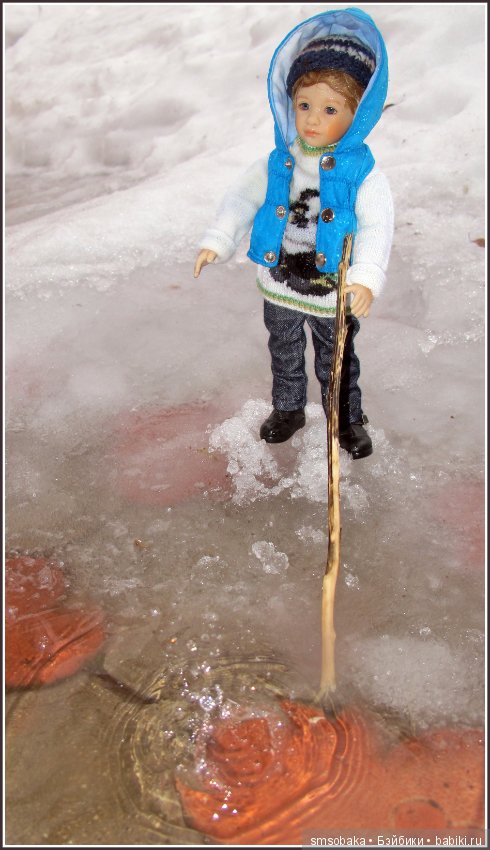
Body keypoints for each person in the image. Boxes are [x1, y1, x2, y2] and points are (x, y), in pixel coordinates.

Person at [194, 7, 394, 459]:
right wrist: (219, 239)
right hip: (279, 282)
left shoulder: (363, 174)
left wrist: (365, 276)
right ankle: (288, 408)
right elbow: (242, 199)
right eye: (304, 105)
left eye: (330, 109)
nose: (312, 120)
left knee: (337, 358)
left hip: (332, 290)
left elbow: (378, 226)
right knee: (283, 347)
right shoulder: (280, 160)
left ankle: (345, 417)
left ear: (358, 114)